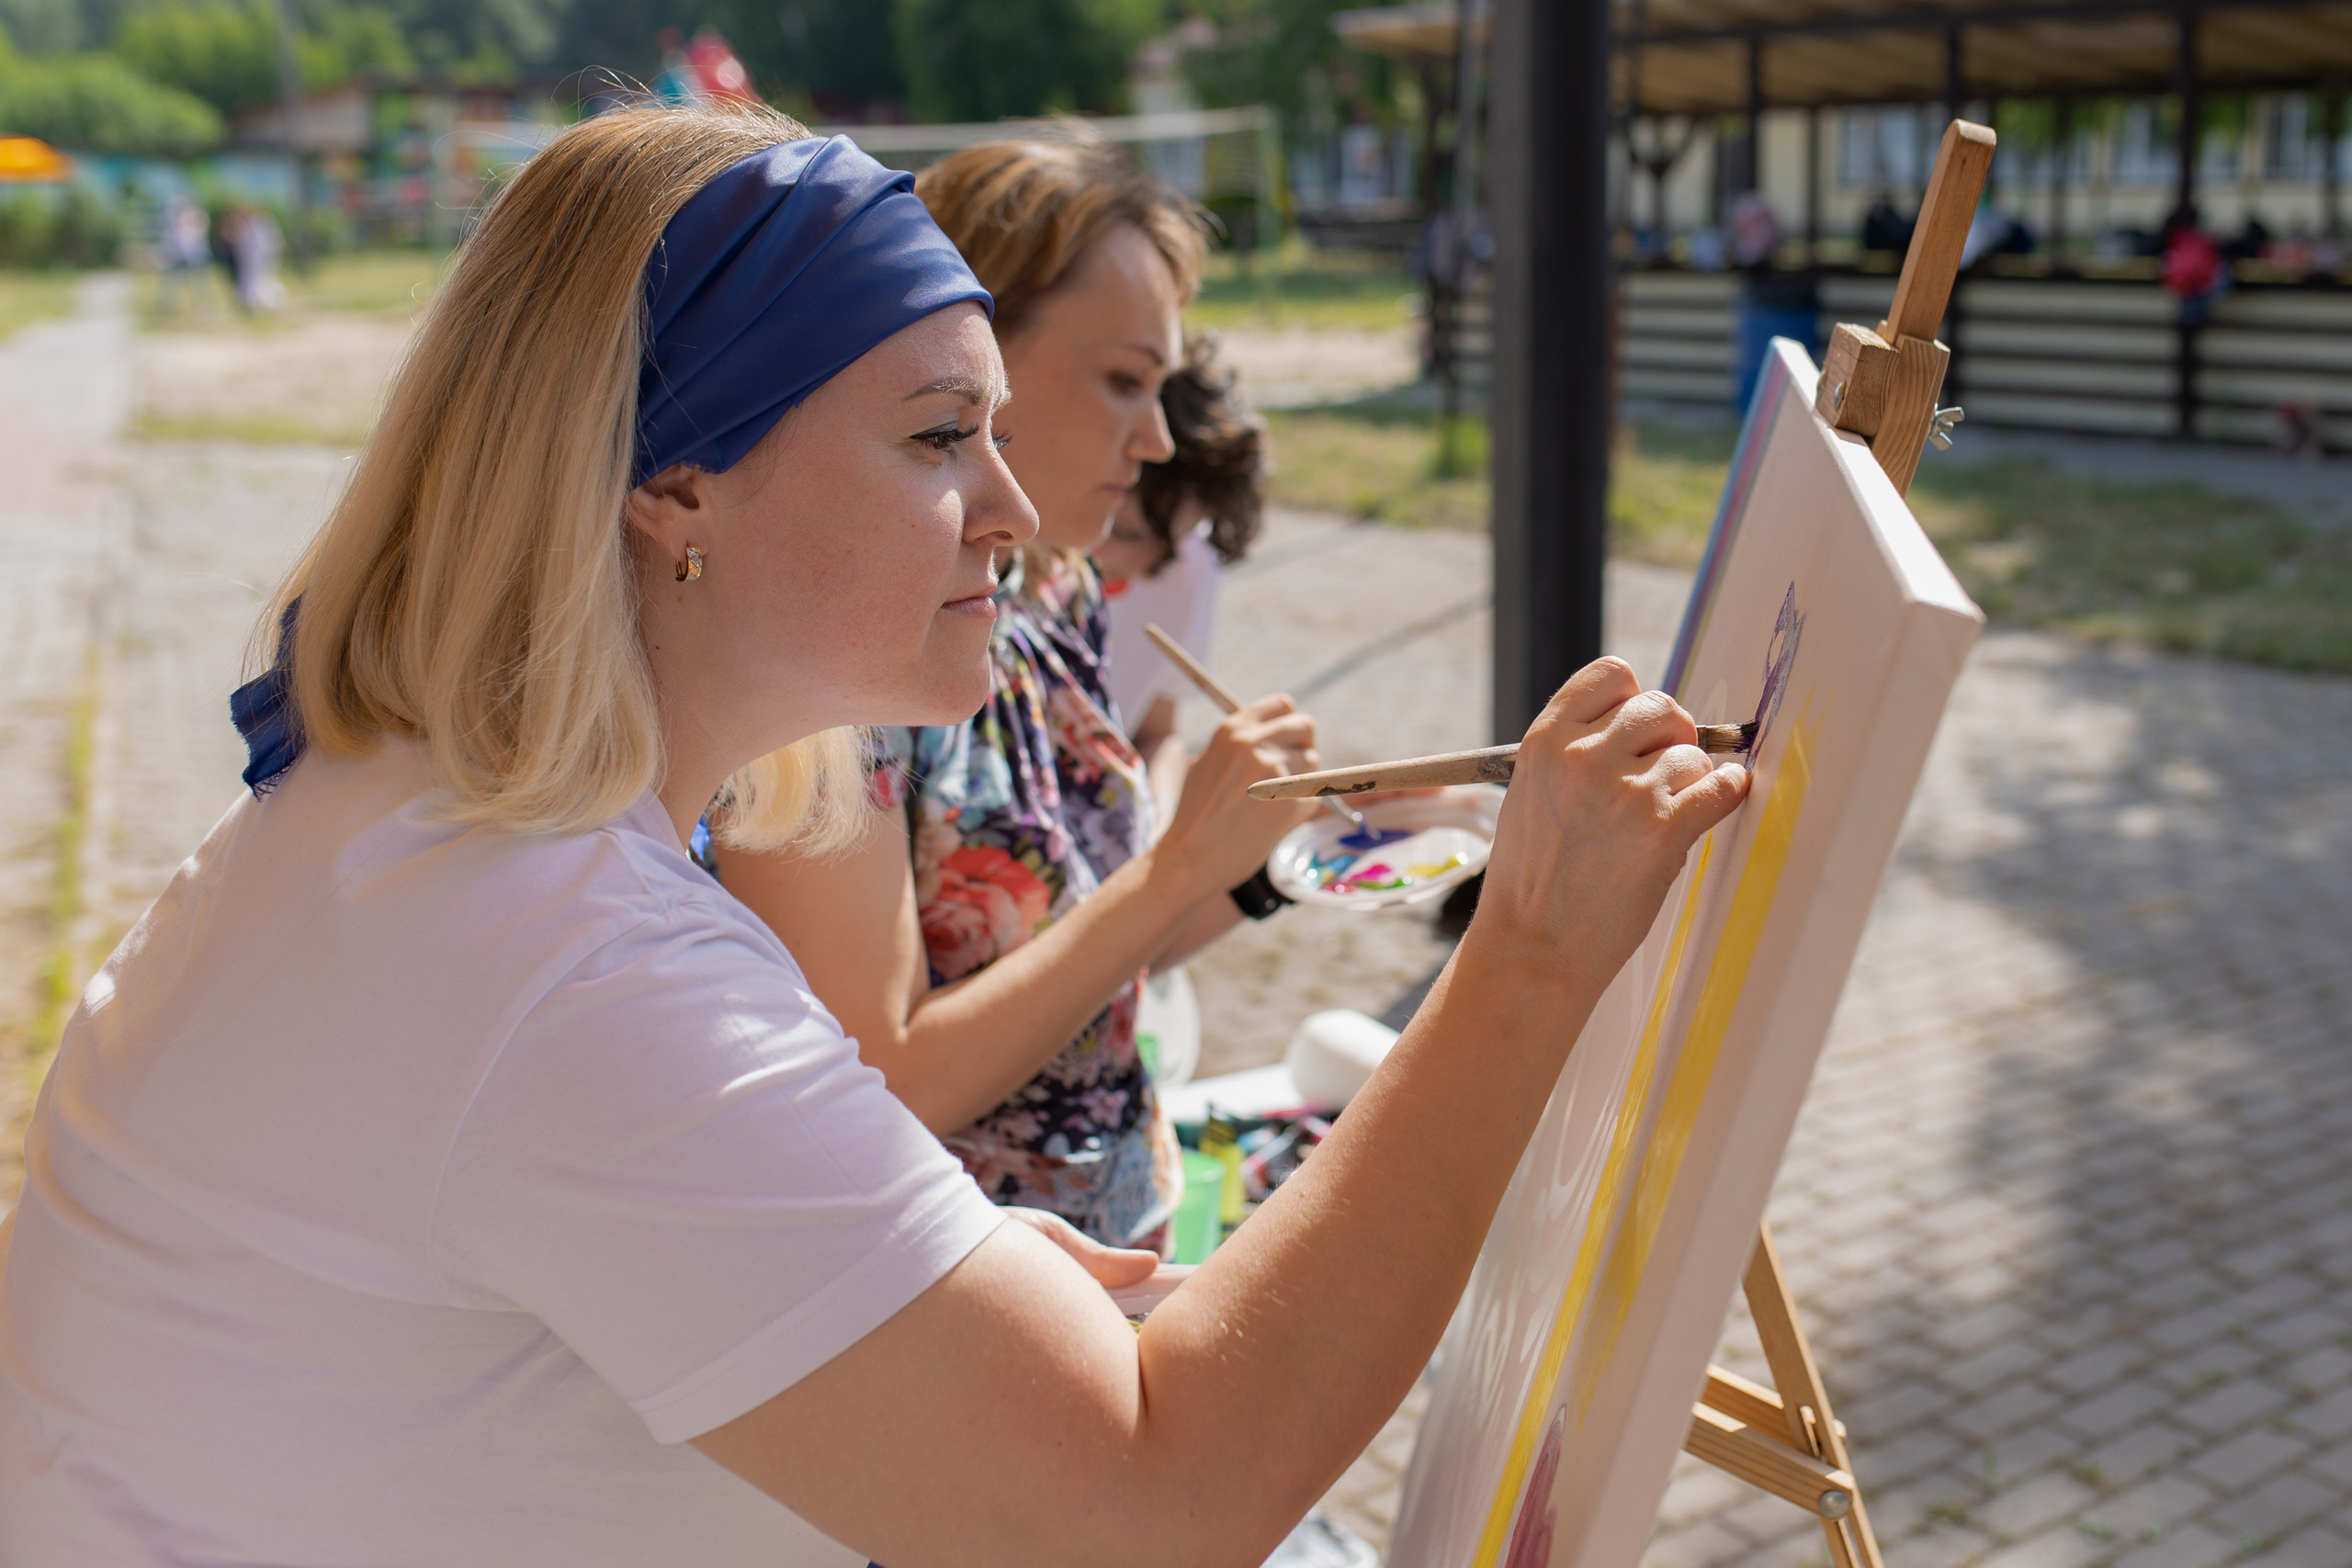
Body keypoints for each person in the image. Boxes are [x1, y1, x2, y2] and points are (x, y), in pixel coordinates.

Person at [0, 102, 1748, 1562]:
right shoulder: (561, 957)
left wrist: (908, 1285)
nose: (1008, 509)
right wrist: (1524, 951)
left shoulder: (422, 812)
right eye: (935, 436)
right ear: (673, 488)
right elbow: (1158, 1503)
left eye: (998, 429)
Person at [718, 137, 1322, 1252]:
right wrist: (1176, 867)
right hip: (959, 1311)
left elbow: (1078, 964)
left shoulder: (1049, 584)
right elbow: (877, 1079)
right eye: (1125, 381)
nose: (1156, 438)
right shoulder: (845, 662)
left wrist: (1263, 868)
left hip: (1110, 1248)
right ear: (973, 351)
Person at [1091, 329, 1265, 818]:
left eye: (1171, 546)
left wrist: (1159, 815)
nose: (1147, 569)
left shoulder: (1191, 563)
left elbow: (1155, 732)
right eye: (1123, 533)